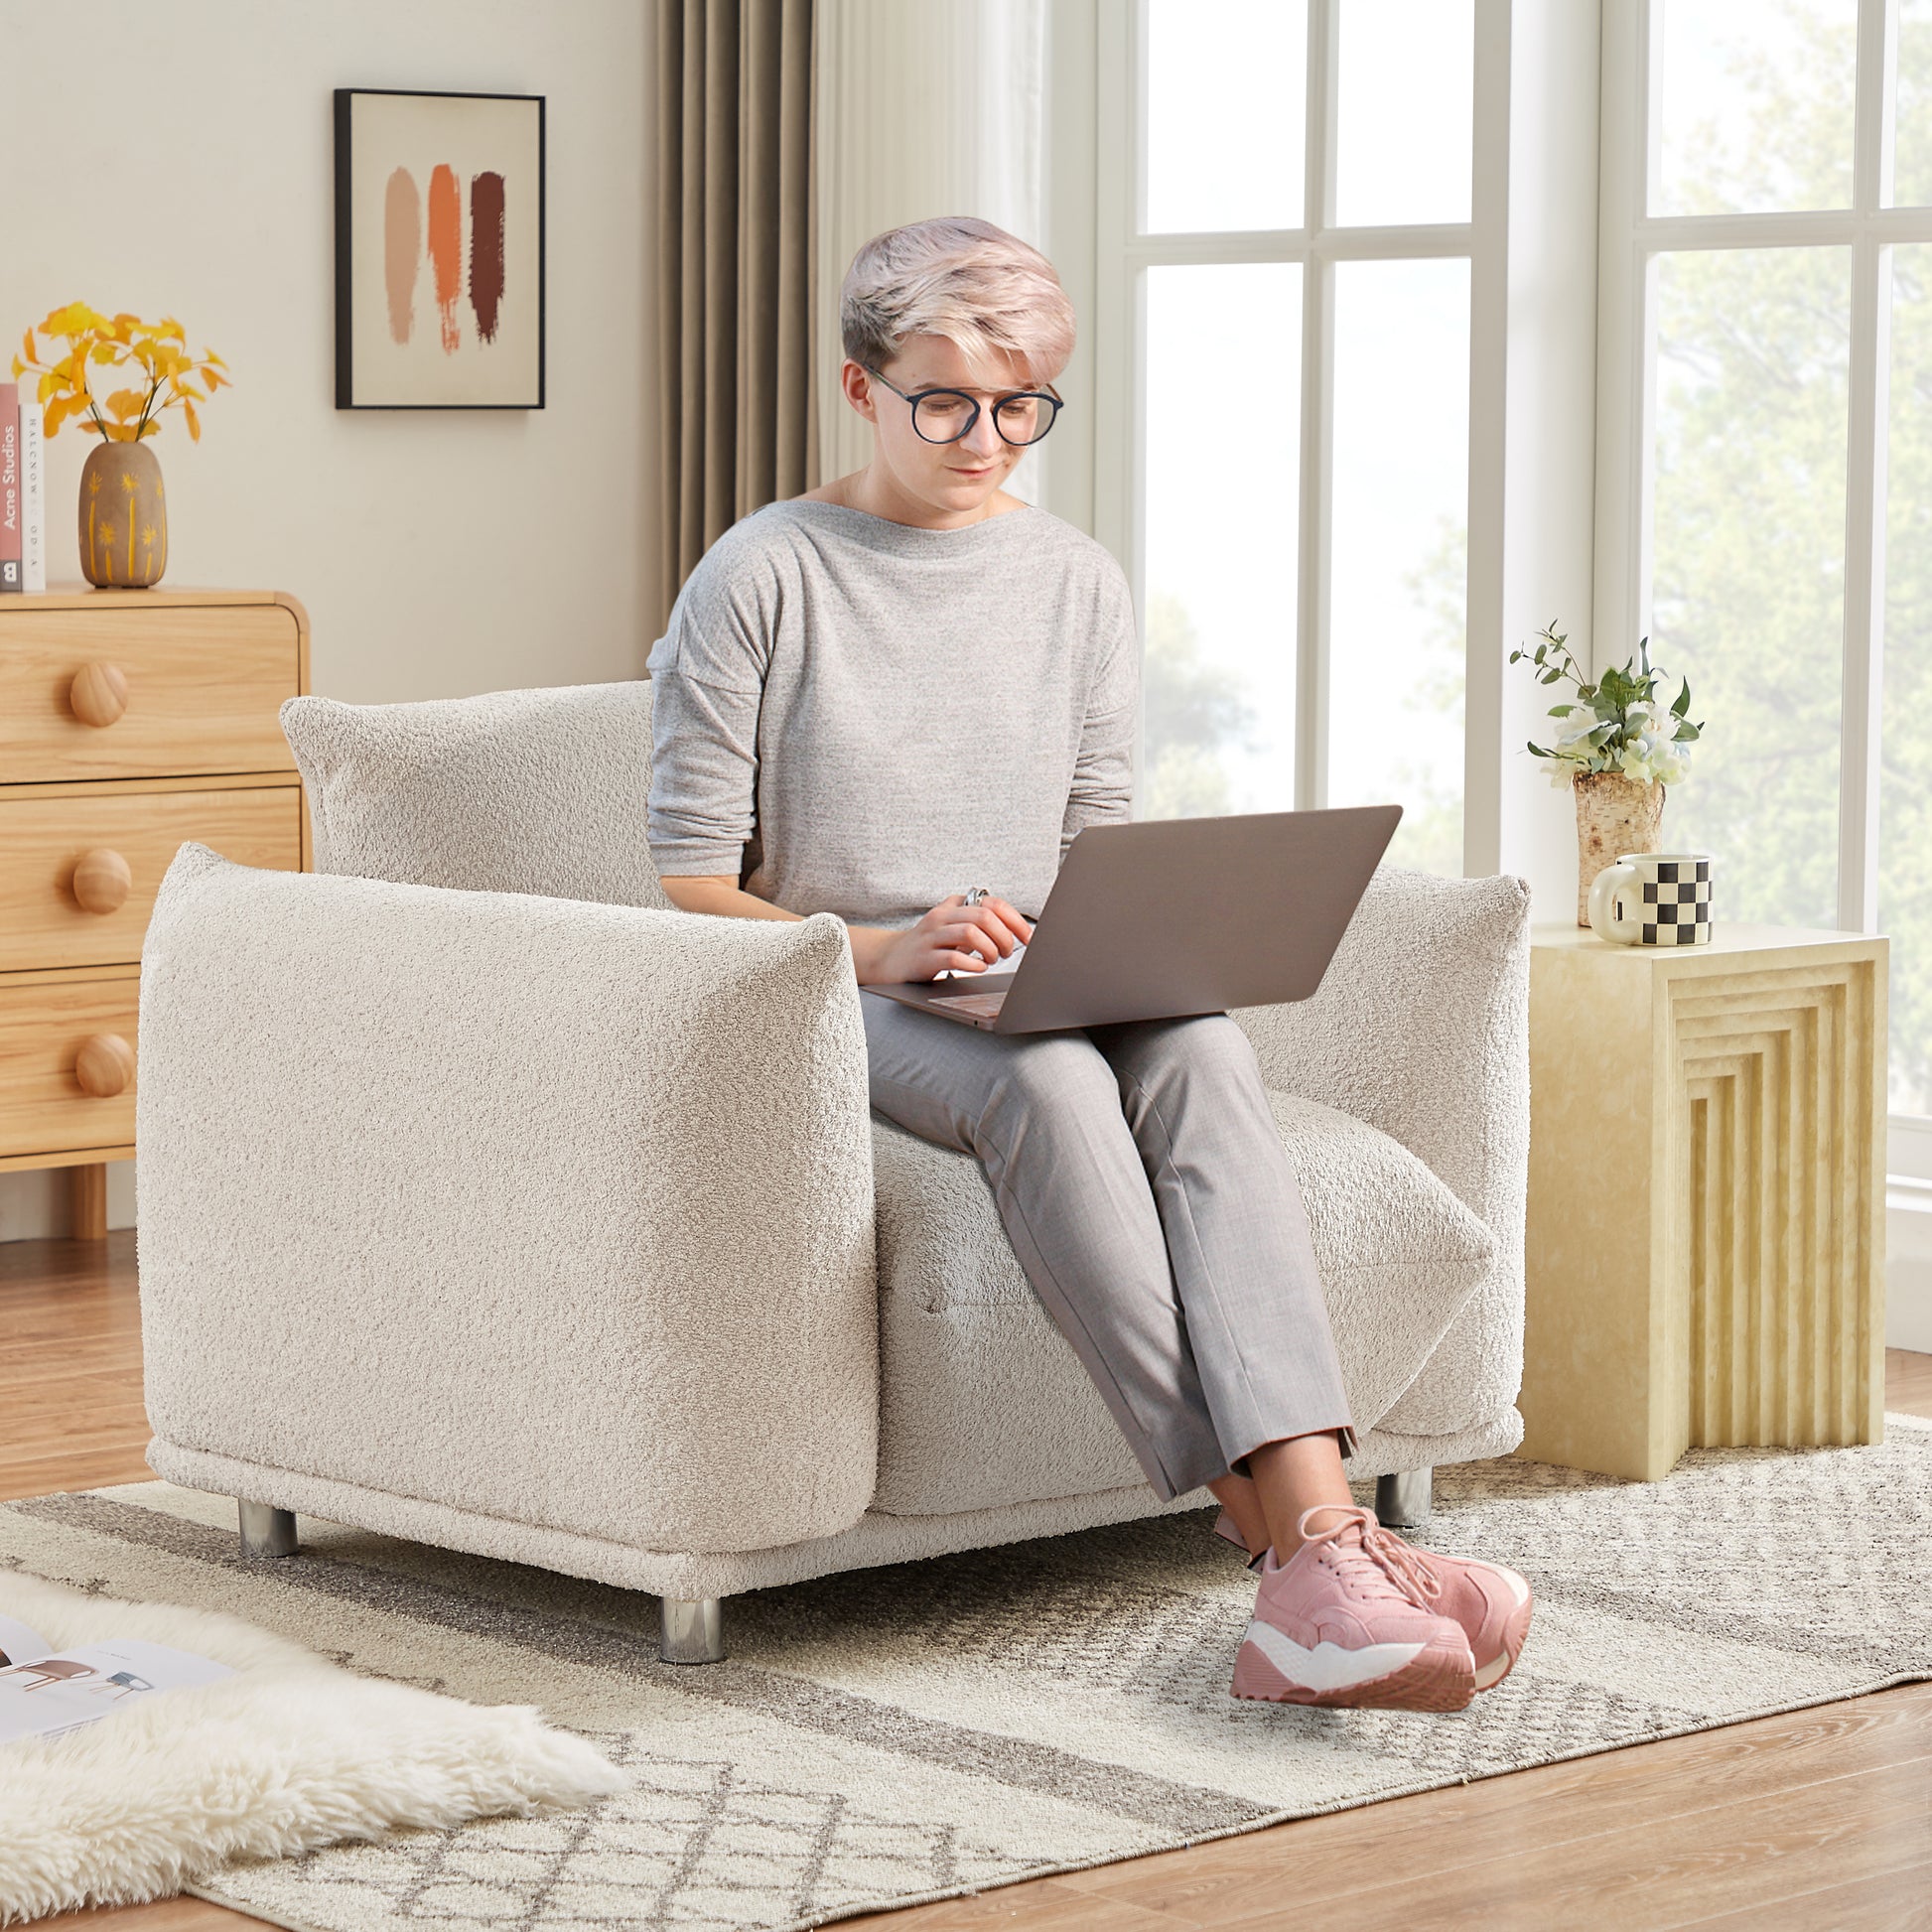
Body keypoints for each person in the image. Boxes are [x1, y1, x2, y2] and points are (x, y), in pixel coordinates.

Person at [645, 215, 1532, 1711]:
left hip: (1023, 971)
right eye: (942, 401)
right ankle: (1307, 1543)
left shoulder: (1075, 581)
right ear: (858, 388)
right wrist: (880, 943)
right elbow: (683, 885)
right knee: (1052, 1086)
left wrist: (1082, 936)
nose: (983, 438)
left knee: (1198, 1044)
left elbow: (1097, 835)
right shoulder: (761, 575)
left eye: (1018, 406)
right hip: (824, 992)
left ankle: (1316, 1554)